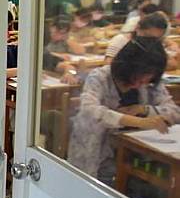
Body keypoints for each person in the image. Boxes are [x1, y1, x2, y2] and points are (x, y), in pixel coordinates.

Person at [67, 37, 180, 185]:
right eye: (141, 76)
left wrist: (143, 110)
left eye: (149, 77)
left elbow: (174, 112)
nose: (143, 82)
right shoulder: (100, 77)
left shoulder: (149, 83)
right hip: (95, 158)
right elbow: (90, 110)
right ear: (128, 66)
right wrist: (139, 121)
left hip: (135, 156)